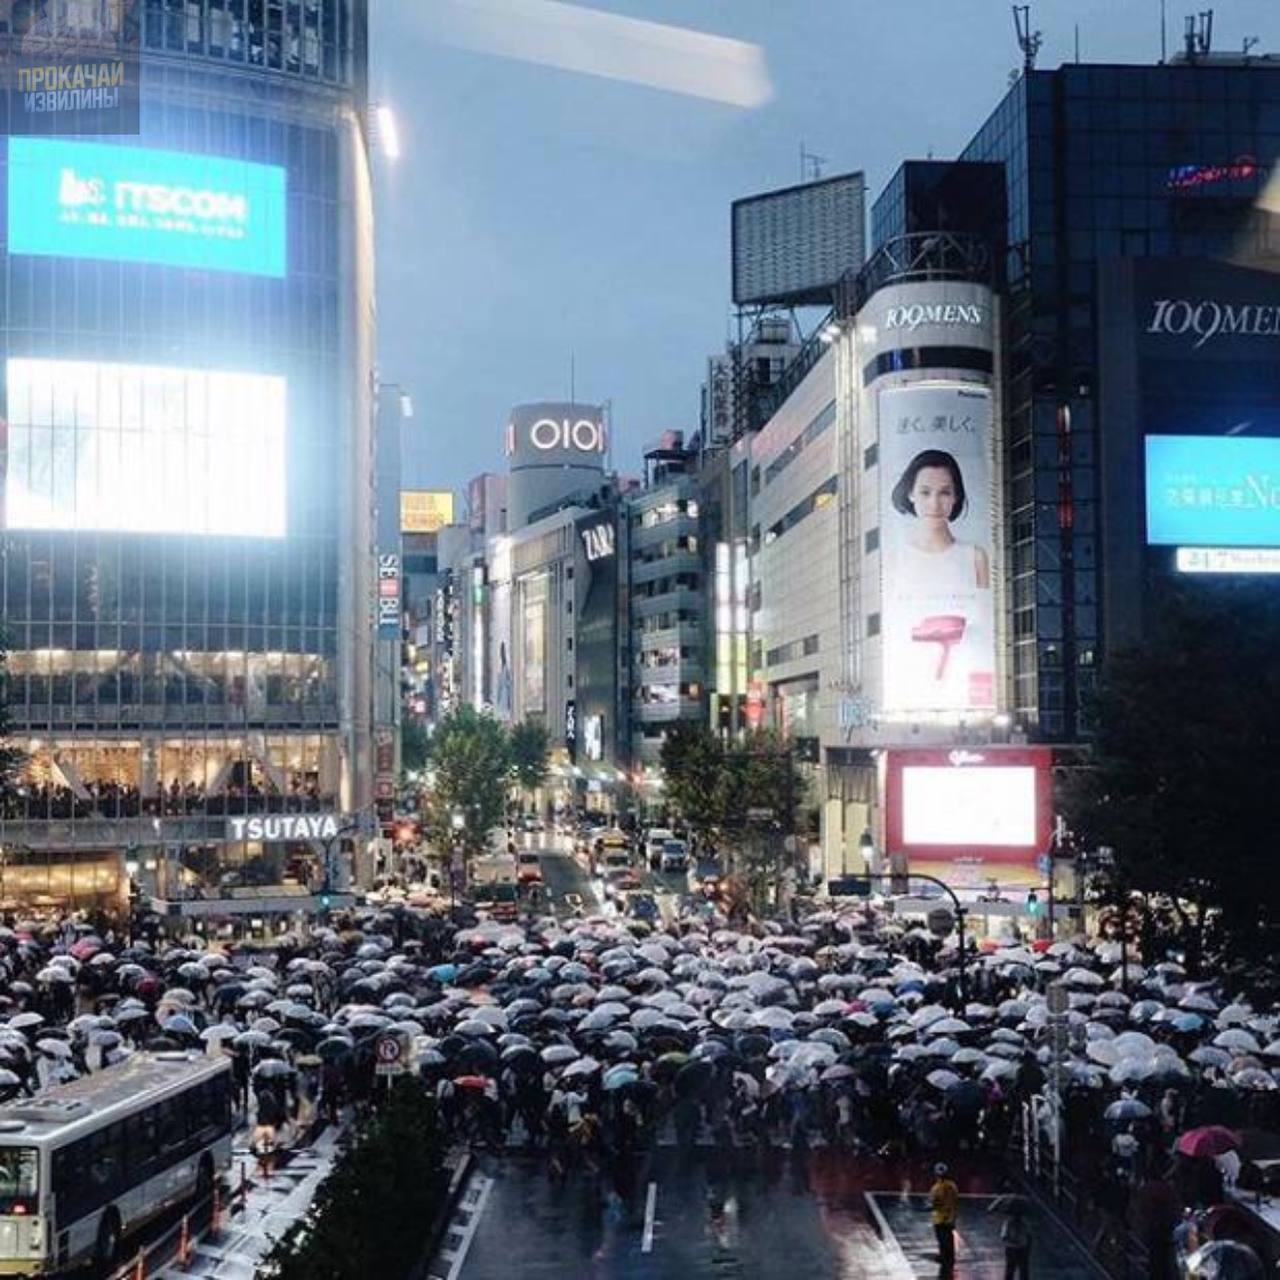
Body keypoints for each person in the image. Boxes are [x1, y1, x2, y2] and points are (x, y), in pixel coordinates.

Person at [890, 449, 991, 588]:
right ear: (911, 494)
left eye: (944, 493)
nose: (934, 504)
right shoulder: (895, 560)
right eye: (925, 492)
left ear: (955, 497)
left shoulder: (975, 558)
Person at [929, 1162, 960, 1277]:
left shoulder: (936, 1188)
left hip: (940, 1218)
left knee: (942, 1239)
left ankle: (945, 1258)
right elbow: (956, 1200)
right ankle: (949, 1257)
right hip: (950, 1217)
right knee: (949, 1239)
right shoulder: (953, 1186)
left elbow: (934, 1202)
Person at [1001, 1199, 1032, 1279]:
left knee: (1023, 1271)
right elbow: (1004, 1237)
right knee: (1011, 1270)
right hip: (1013, 1249)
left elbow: (1029, 1236)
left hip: (1020, 1249)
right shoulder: (1008, 1223)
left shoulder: (1024, 1223)